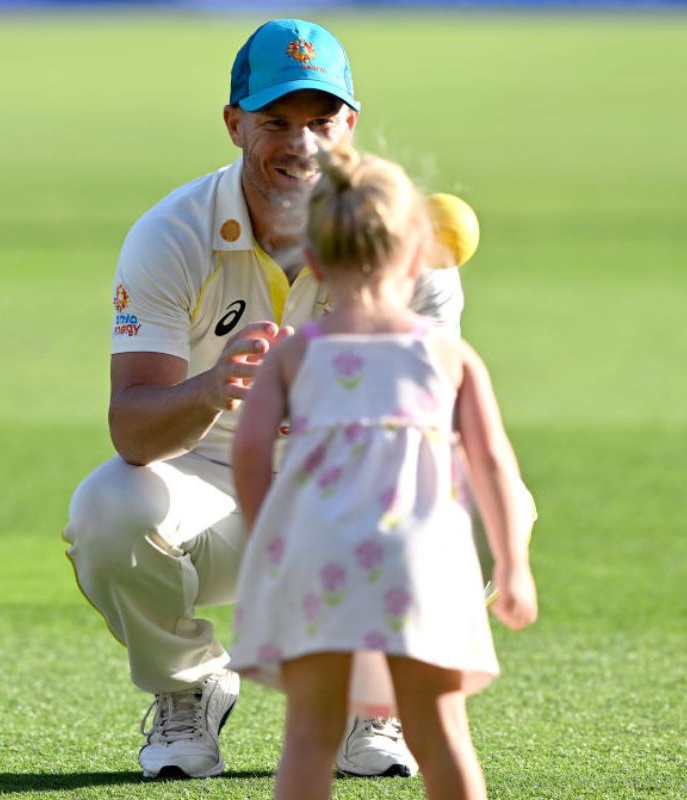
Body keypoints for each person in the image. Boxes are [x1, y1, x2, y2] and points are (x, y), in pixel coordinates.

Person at [63, 18, 528, 780]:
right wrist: (214, 389)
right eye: (276, 122)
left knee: (482, 494)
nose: (300, 143)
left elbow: (440, 433)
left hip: (360, 492)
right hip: (214, 487)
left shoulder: (407, 239)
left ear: (350, 124)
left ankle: (373, 703)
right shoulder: (170, 235)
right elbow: (133, 430)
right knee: (107, 509)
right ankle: (189, 689)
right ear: (235, 123)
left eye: (320, 121)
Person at [228, 141, 538, 800]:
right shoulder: (448, 354)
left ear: (312, 260)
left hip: (317, 553)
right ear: (422, 257)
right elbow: (491, 460)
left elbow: (251, 451)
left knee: (309, 735)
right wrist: (512, 565)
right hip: (420, 559)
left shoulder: (294, 356)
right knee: (441, 731)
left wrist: (266, 542)